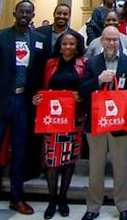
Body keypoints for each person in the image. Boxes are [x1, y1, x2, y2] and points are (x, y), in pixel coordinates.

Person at [0, 1, 49, 220]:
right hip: (1, 103)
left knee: (20, 152)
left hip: (25, 103)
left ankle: (17, 198)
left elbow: (43, 73)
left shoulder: (40, 40)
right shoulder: (0, 37)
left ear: (33, 15)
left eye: (28, 12)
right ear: (15, 13)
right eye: (21, 11)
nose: (24, 15)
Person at [79, 26, 127, 220]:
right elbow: (82, 91)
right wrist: (98, 80)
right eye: (108, 40)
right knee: (95, 168)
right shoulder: (92, 63)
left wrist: (122, 101)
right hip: (96, 123)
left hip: (119, 124)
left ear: (119, 42)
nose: (111, 43)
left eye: (115, 40)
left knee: (121, 167)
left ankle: (123, 207)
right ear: (101, 41)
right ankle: (93, 207)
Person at [32, 30, 87, 219]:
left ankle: (63, 197)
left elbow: (87, 88)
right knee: (53, 161)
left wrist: (81, 96)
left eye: (72, 44)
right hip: (53, 118)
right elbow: (42, 86)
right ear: (60, 45)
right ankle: (52, 199)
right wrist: (38, 97)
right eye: (65, 44)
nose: (68, 47)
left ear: (77, 46)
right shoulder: (50, 63)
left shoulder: (83, 64)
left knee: (69, 160)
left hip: (74, 118)